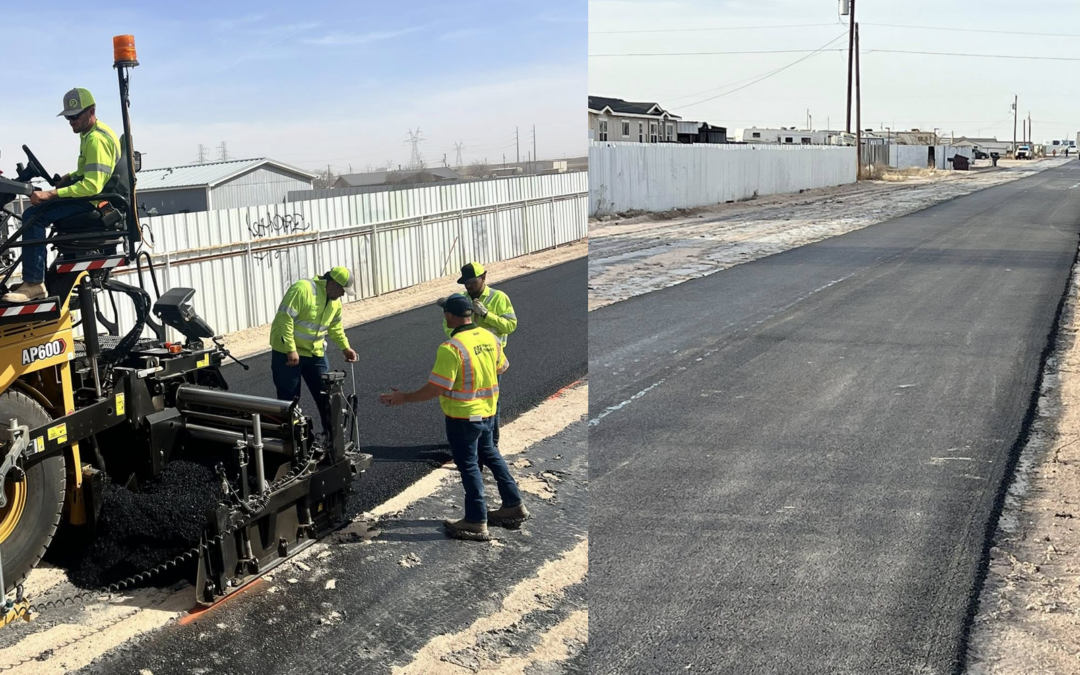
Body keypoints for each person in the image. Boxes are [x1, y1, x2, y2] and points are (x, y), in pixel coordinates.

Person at [382, 293, 528, 540]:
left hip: (463, 417)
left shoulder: (452, 348)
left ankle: (475, 520)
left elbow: (436, 387)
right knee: (491, 453)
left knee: (469, 465)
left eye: (445, 313)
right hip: (488, 412)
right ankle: (513, 504)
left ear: (449, 315)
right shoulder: (489, 337)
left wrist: (404, 397)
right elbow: (502, 367)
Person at [4, 89, 124, 302]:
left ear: (91, 111)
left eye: (75, 116)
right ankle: (33, 279)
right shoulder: (91, 133)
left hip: (92, 201)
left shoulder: (96, 139)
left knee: (33, 216)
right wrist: (71, 176)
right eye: (68, 116)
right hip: (91, 196)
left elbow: (91, 187)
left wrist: (51, 194)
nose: (71, 121)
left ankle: (34, 284)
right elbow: (91, 171)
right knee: (34, 212)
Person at [270, 266, 359, 432]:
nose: (342, 295)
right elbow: (284, 318)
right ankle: (293, 442)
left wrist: (345, 347)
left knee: (328, 396)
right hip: (288, 355)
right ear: (332, 283)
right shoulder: (303, 289)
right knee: (289, 400)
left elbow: (335, 327)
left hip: (315, 354)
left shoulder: (335, 303)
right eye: (342, 290)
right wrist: (291, 349)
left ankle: (332, 441)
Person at [444, 262, 517, 446]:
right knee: (468, 401)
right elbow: (447, 325)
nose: (468, 286)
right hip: (467, 359)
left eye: (471, 281)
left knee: (491, 401)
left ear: (483, 277)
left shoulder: (499, 298)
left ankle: (492, 441)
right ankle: (471, 440)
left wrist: (486, 315)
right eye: (465, 282)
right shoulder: (460, 299)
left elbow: (510, 325)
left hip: (490, 359)